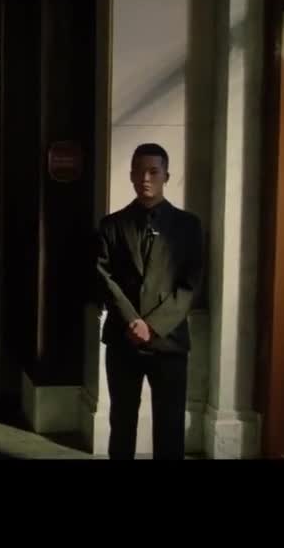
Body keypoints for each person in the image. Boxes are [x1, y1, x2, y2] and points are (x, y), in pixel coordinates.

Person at [93, 143, 205, 460]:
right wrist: (132, 320)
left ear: (166, 176)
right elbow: (103, 276)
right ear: (131, 175)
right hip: (123, 340)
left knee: (170, 427)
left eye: (153, 172)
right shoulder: (112, 225)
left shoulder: (188, 225)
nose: (146, 178)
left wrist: (152, 326)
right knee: (122, 423)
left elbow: (191, 283)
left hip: (169, 343)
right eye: (140, 171)